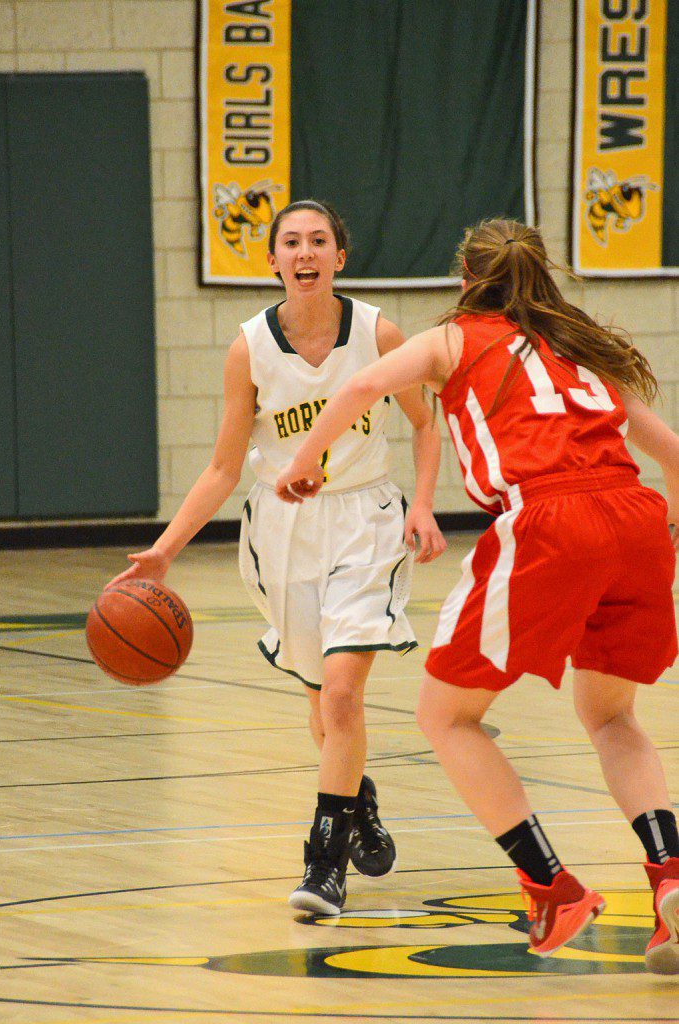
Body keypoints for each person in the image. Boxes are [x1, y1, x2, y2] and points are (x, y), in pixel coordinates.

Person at [275, 218, 679, 971]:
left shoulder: (455, 338)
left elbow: (361, 384)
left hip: (550, 519)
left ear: (467, 276)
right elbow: (672, 453)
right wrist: (671, 526)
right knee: (613, 714)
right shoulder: (577, 345)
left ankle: (551, 887)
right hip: (635, 517)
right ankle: (670, 875)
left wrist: (304, 462)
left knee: (447, 716)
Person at [109, 200, 446, 916]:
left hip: (366, 523)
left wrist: (422, 503)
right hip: (284, 532)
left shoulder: (378, 331)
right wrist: (166, 552)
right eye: (290, 241)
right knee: (325, 706)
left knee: (345, 693)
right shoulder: (250, 348)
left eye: (318, 240)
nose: (305, 251)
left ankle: (323, 865)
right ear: (272, 261)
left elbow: (424, 422)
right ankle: (357, 798)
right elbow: (224, 469)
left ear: (339, 258)